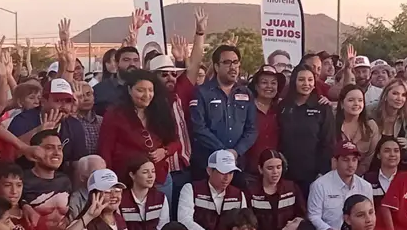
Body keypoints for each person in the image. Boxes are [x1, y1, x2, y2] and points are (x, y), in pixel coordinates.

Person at [98, 69, 182, 191]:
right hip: (127, 181)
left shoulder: (161, 111)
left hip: (159, 180)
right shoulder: (114, 114)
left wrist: (165, 151)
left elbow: (176, 141)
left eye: (150, 90)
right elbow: (105, 151)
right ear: (129, 90)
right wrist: (110, 183)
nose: (147, 95)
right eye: (140, 90)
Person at [190, 45, 257, 181]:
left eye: (236, 62)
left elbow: (252, 129)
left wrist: (236, 152)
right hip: (208, 164)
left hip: (237, 164)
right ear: (216, 66)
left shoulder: (246, 93)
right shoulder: (202, 92)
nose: (233, 67)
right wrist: (223, 152)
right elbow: (198, 127)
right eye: (227, 62)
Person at [277, 64, 336, 190]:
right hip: (286, 174)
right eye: (301, 80)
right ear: (294, 82)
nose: (306, 84)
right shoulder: (283, 106)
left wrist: (322, 172)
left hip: (313, 175)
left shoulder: (322, 107)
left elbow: (328, 142)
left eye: (310, 80)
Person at [177, 151, 248, 230]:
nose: (227, 177)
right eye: (222, 172)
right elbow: (184, 220)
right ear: (209, 171)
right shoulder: (191, 189)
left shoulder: (239, 194)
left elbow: (243, 224)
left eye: (231, 173)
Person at [307, 143, 373, 230]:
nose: (350, 164)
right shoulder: (319, 185)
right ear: (335, 161)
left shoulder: (365, 186)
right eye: (345, 160)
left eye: (354, 160)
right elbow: (313, 216)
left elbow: (371, 214)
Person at [119, 157, 169, 230]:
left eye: (153, 171)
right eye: (145, 172)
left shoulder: (160, 197)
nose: (151, 176)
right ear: (132, 175)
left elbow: (162, 229)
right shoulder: (120, 199)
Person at [247, 150, 305, 230]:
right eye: (270, 168)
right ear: (260, 169)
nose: (275, 172)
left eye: (278, 167)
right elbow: (248, 222)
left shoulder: (291, 187)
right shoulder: (251, 191)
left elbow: (302, 215)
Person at [19, 129, 73, 209]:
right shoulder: (21, 180)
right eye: (49, 148)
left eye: (59, 148)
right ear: (34, 152)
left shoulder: (65, 181)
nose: (57, 153)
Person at [336, 84, 379, 177]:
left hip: (359, 177)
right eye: (351, 100)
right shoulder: (332, 123)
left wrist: (353, 177)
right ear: (342, 103)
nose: (356, 104)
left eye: (360, 100)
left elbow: (368, 159)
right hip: (333, 175)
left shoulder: (371, 126)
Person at [247, 67, 284, 175]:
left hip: (274, 172)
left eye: (273, 83)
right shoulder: (246, 108)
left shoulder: (282, 109)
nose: (269, 86)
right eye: (264, 82)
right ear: (256, 86)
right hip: (249, 170)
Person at [372, 79, 407, 162]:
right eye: (395, 93)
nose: (399, 98)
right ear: (385, 95)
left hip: (395, 166)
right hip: (370, 164)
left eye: (403, 95)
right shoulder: (370, 112)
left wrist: (406, 148)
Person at [94, 46, 141, 115]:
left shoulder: (148, 88)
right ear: (116, 64)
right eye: (126, 60)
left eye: (136, 60)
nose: (132, 64)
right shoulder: (100, 90)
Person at [368, 136, 405, 205]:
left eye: (396, 151)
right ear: (378, 155)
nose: (392, 154)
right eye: (387, 151)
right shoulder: (367, 180)